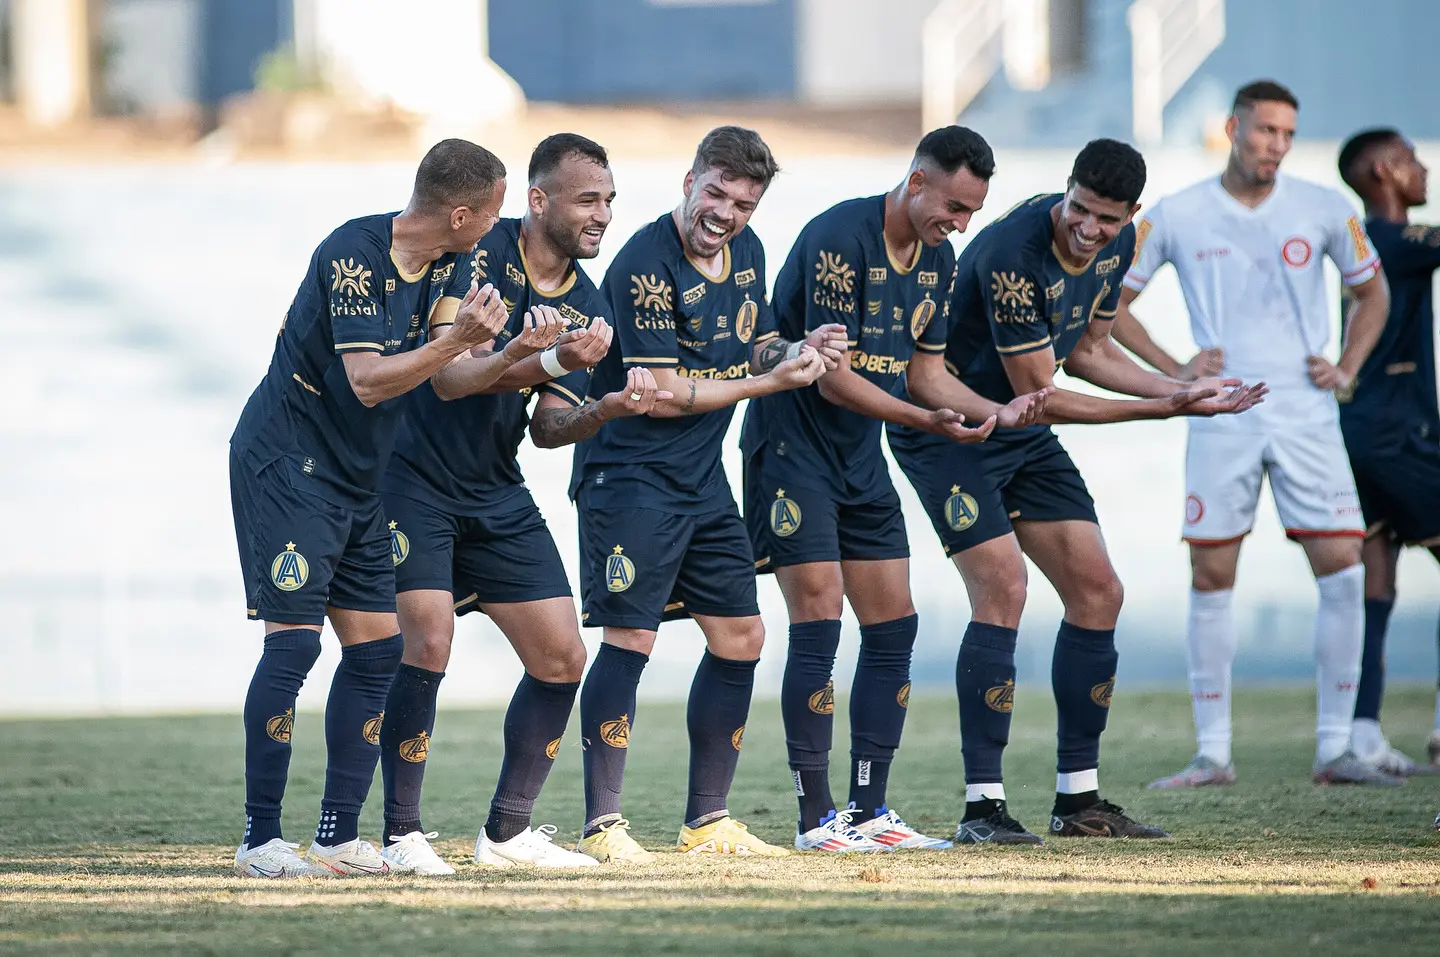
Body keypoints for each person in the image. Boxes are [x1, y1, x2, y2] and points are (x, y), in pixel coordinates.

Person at [890, 137, 1267, 845]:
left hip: (1020, 431)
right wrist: (1169, 405)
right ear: (1065, 189)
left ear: (1131, 215)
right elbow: (1044, 393)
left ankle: (1079, 799)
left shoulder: (1116, 247)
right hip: (955, 431)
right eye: (1080, 209)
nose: (1089, 229)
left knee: (1100, 591)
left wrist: (1184, 388)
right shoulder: (1011, 253)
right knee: (1003, 587)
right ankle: (982, 809)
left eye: (1108, 219)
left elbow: (1090, 349)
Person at [739, 126, 1045, 853]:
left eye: (973, 212)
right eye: (954, 205)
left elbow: (927, 370)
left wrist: (989, 411)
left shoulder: (939, 259)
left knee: (894, 624)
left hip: (859, 455)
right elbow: (832, 376)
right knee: (819, 615)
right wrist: (926, 421)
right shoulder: (840, 237)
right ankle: (818, 819)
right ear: (916, 182)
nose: (961, 224)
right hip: (793, 447)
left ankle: (870, 810)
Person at [375, 134, 669, 875]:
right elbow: (451, 375)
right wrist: (536, 358)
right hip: (411, 476)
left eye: (608, 200)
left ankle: (506, 834)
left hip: (493, 484)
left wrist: (604, 407)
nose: (601, 214)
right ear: (538, 201)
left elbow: (545, 429)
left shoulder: (589, 301)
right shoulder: (478, 253)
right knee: (429, 640)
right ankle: (401, 835)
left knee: (563, 655)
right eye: (587, 199)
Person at [229, 139, 514, 877]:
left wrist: (526, 356)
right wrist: (455, 338)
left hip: (359, 475)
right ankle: (260, 840)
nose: (494, 228)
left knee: (377, 651)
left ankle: (335, 835)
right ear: (459, 213)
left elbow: (448, 378)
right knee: (293, 646)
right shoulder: (353, 254)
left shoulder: (454, 262)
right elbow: (365, 381)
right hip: (288, 462)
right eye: (489, 214)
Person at [569, 126, 848, 862]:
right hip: (627, 476)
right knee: (632, 637)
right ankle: (603, 826)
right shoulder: (642, 263)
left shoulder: (748, 255)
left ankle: (707, 822)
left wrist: (795, 351)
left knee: (742, 637)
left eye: (743, 203)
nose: (725, 212)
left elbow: (752, 344)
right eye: (716, 192)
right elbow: (659, 393)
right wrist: (770, 381)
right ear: (689, 180)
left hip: (701, 480)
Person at [1115, 80, 1399, 789]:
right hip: (1220, 411)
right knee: (1211, 572)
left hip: (1306, 410)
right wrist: (1175, 368)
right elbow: (1111, 302)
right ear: (1234, 127)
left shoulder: (1324, 207)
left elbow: (1374, 290)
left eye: (1287, 134)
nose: (1276, 145)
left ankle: (1337, 748)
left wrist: (1348, 365)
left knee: (1343, 562)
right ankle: (1213, 753)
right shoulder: (1177, 214)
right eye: (1266, 130)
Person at [1335, 128, 1440, 773]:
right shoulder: (1394, 242)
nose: (1424, 168)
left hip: (1359, 426)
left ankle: (1365, 730)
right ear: (1384, 171)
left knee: (1376, 576)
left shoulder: (1359, 246)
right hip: (1400, 429)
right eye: (1411, 160)